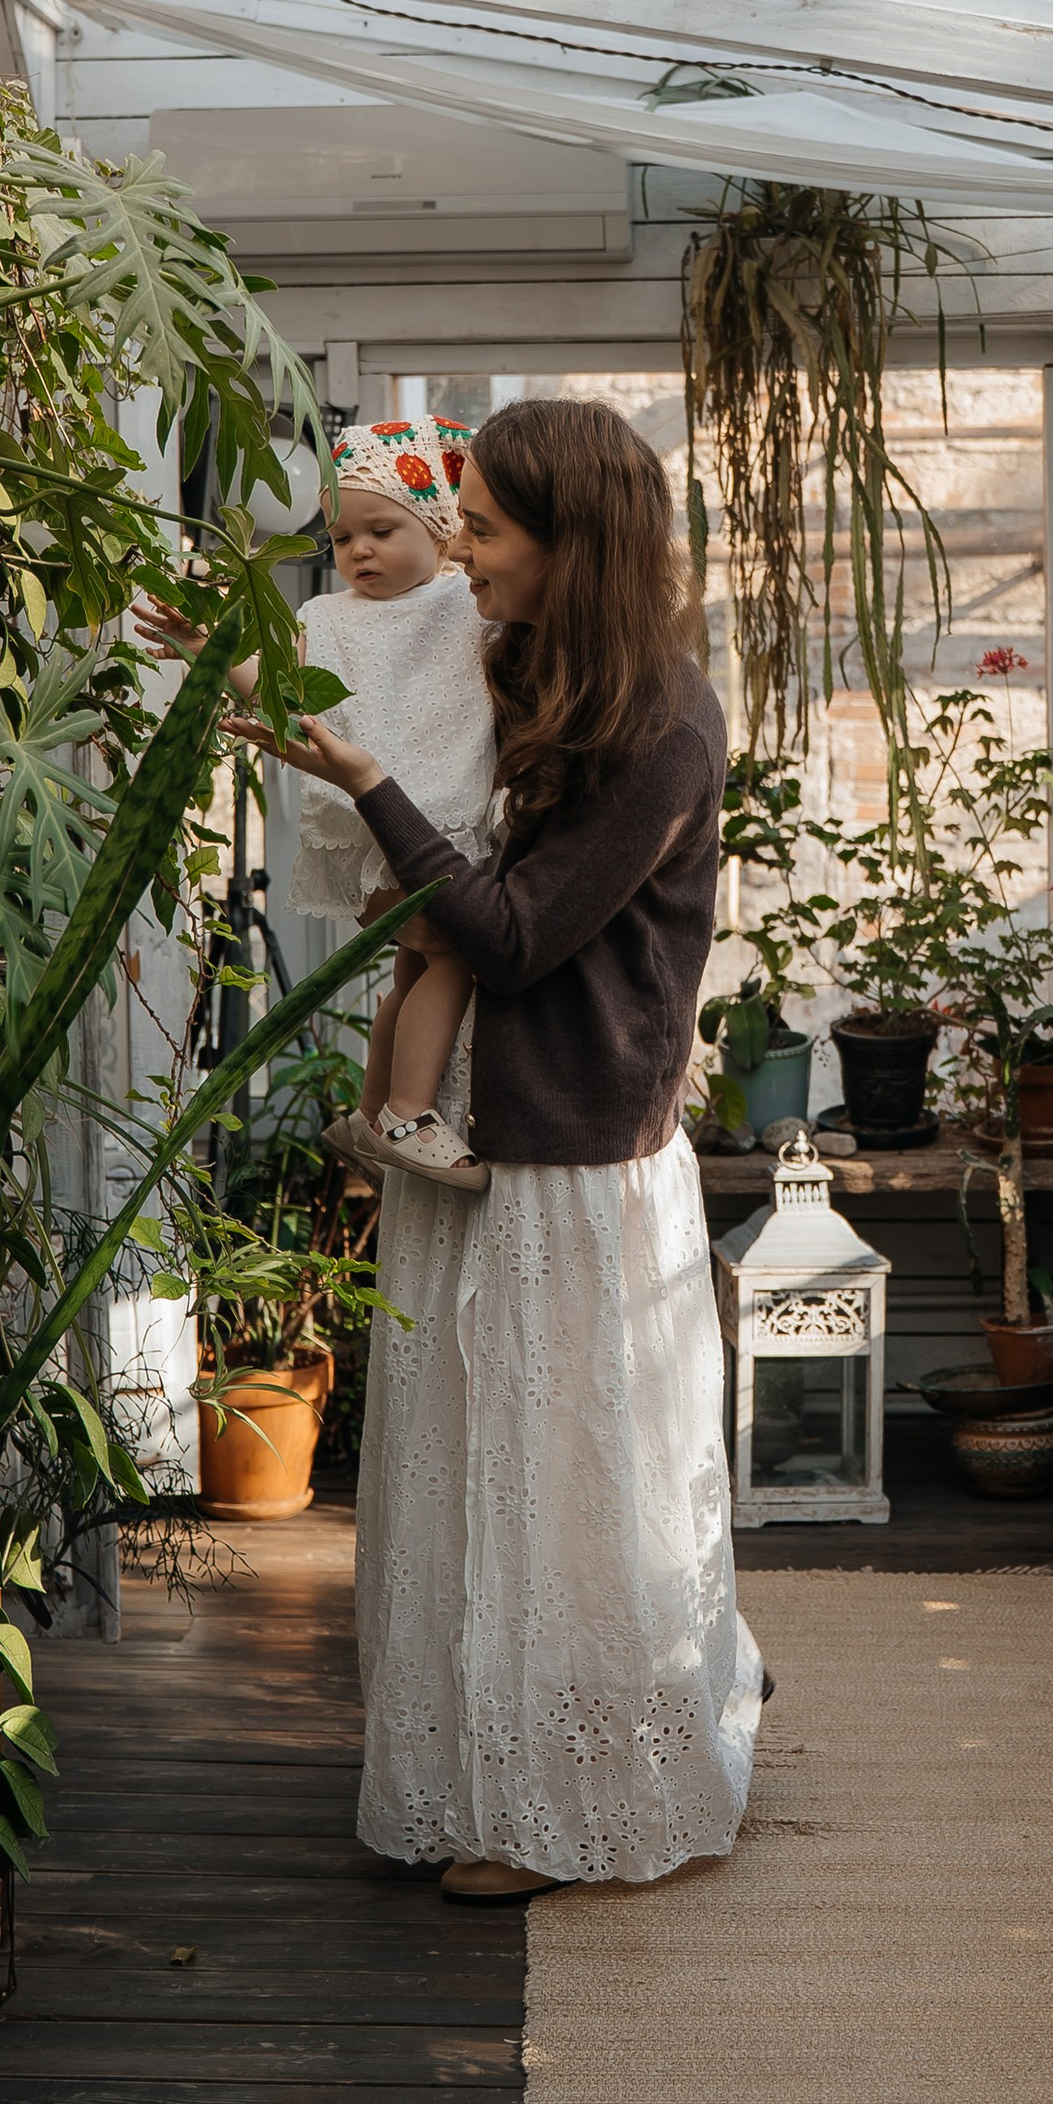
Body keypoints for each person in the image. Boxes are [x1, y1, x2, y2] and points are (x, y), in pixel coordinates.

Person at [240, 397, 763, 1906]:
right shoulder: (522, 658)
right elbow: (378, 645)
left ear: (570, 542)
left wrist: (365, 787)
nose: (458, 553)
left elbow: (516, 936)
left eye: (484, 527)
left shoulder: (659, 724)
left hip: (571, 1163)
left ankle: (564, 1800)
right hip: (479, 1139)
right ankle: (495, 1762)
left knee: (563, 1498)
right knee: (478, 1480)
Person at [282, 418, 499, 1192]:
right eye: (341, 538)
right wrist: (215, 656)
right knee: (456, 955)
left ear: (441, 529)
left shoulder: (461, 600)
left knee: (412, 974)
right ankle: (409, 1111)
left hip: (413, 831)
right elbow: (288, 698)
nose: (359, 551)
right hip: (393, 831)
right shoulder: (328, 620)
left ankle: (370, 1115)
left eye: (381, 529)